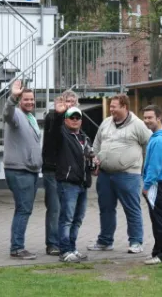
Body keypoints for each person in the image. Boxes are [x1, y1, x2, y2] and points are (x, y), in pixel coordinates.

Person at [88, 94, 151, 254]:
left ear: (124, 107)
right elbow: (97, 144)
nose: (111, 110)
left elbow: (149, 145)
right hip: (105, 175)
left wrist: (144, 167)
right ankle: (105, 241)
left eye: (114, 107)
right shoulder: (106, 123)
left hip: (128, 175)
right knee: (106, 209)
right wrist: (95, 161)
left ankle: (136, 242)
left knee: (132, 208)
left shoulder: (138, 125)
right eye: (110, 106)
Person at [3, 79, 43, 260]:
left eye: (32, 99)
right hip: (20, 170)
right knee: (23, 209)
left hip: (31, 170)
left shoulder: (31, 118)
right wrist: (12, 97)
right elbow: (7, 113)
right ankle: (17, 248)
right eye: (26, 99)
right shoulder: (16, 116)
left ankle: (17, 246)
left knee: (24, 208)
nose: (30, 102)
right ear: (20, 101)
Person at [50, 102, 93, 263]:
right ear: (66, 120)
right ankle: (65, 250)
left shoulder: (84, 137)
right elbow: (52, 131)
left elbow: (87, 158)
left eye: (78, 117)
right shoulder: (61, 134)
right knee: (66, 218)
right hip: (68, 182)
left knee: (77, 218)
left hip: (82, 182)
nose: (75, 120)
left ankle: (72, 248)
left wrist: (93, 163)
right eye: (71, 117)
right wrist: (58, 114)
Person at [41, 90, 79, 256]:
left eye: (72, 101)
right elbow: (52, 139)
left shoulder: (76, 119)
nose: (70, 104)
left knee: (70, 210)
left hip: (69, 173)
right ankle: (52, 243)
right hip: (53, 170)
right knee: (55, 208)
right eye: (67, 101)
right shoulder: (53, 117)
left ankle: (67, 243)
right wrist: (58, 115)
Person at [141, 105, 162, 265]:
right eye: (145, 117)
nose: (146, 120)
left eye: (150, 118)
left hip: (158, 185)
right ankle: (158, 251)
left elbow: (155, 167)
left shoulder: (159, 140)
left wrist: (147, 186)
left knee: (159, 220)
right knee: (158, 219)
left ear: (158, 118)